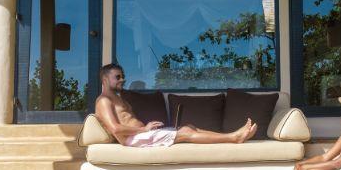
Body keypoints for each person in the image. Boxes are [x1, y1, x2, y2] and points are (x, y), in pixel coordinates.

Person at [95, 63, 258, 147]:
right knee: (186, 132)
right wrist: (144, 129)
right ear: (104, 80)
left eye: (122, 76)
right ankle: (234, 137)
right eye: (117, 77)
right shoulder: (104, 101)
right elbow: (115, 128)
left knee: (189, 126)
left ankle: (233, 135)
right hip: (134, 139)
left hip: (140, 136)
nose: (122, 79)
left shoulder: (117, 98)